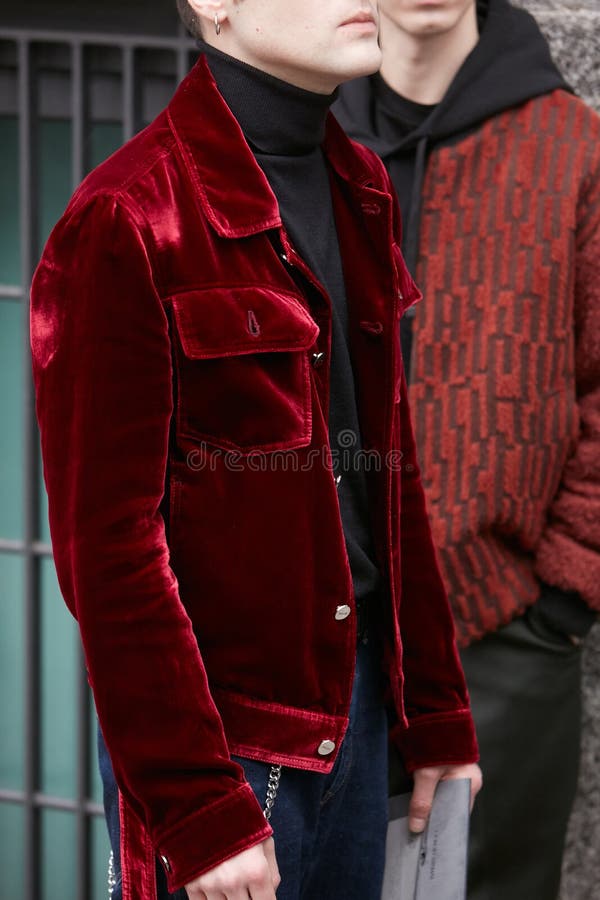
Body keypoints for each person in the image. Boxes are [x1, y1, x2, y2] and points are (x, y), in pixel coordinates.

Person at [30, 2, 482, 899]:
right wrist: (199, 808)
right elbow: (109, 550)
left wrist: (435, 714)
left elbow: (389, 479)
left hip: (361, 715)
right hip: (230, 748)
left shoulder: (359, 183)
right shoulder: (129, 215)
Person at [334, 0, 600, 897]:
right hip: (319, 635)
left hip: (500, 635)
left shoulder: (574, 148)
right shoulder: (304, 138)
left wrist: (559, 601)